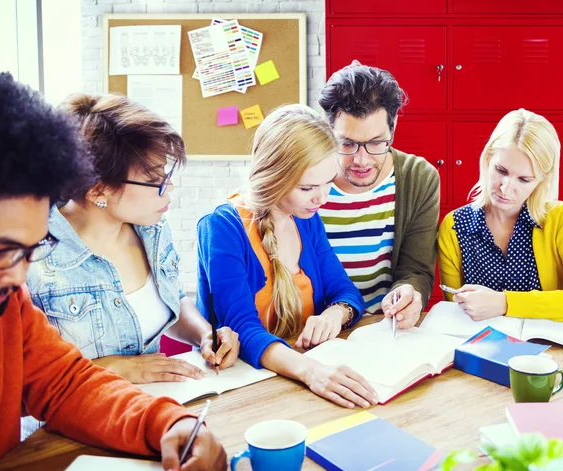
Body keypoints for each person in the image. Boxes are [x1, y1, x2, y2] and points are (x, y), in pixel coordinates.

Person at [0, 72, 226, 471]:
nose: (19, 280)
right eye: (4, 252)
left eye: (33, 249)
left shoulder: (6, 301)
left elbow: (65, 384)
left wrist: (170, 423)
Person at [27, 93, 239, 385]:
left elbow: (172, 299)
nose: (169, 187)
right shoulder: (30, 258)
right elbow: (20, 378)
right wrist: (115, 369)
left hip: (150, 409)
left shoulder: (152, 228)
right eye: (154, 181)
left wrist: (205, 334)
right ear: (97, 190)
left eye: (166, 173)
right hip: (63, 428)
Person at [196, 104, 378, 409]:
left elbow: (344, 291)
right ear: (274, 177)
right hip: (250, 386)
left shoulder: (306, 216)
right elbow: (243, 329)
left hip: (302, 377)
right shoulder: (222, 226)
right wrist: (312, 372)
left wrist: (336, 313)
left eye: (328, 183)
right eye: (307, 187)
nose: (322, 198)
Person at [317, 60, 439, 329]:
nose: (361, 160)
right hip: (314, 327)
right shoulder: (306, 179)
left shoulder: (418, 177)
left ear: (393, 129)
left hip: (382, 328)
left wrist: (411, 292)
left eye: (376, 143)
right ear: (328, 132)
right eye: (347, 144)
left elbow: (416, 270)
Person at [438, 109, 563, 321]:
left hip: (545, 351)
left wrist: (504, 303)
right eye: (501, 171)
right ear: (487, 159)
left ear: (542, 181)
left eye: (523, 180)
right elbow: (455, 313)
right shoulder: (454, 226)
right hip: (479, 347)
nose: (505, 189)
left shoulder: (558, 219)